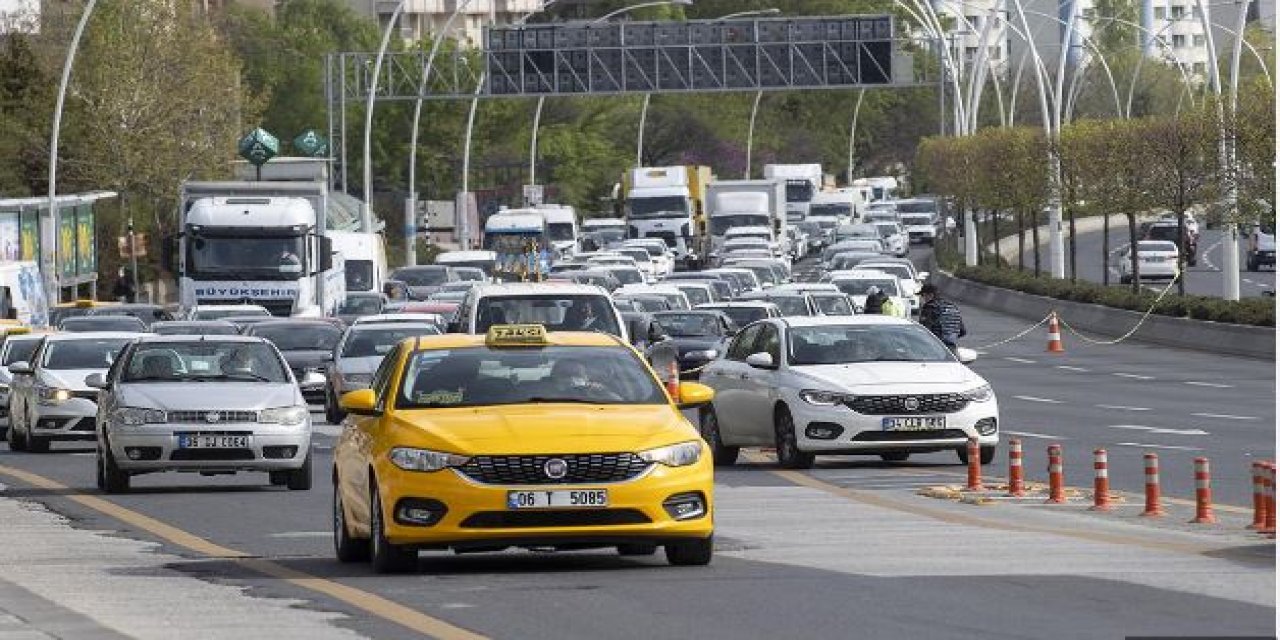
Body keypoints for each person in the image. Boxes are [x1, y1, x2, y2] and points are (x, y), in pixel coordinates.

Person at [918, 283, 966, 350]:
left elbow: (924, 330)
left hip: (934, 348)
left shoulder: (930, 307)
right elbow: (963, 331)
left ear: (930, 295)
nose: (922, 298)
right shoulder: (952, 306)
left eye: (923, 295)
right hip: (951, 350)